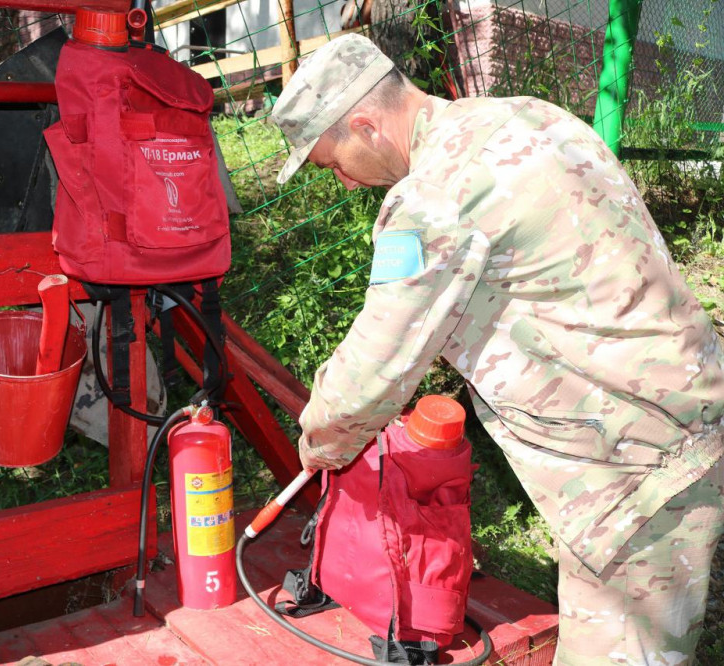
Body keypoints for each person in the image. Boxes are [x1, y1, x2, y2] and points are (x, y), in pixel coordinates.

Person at [272, 33, 724, 665]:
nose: (345, 183)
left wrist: (320, 442)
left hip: (631, 468)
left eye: (332, 162)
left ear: (366, 125)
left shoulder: (434, 197)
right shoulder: (528, 116)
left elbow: (370, 377)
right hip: (676, 409)